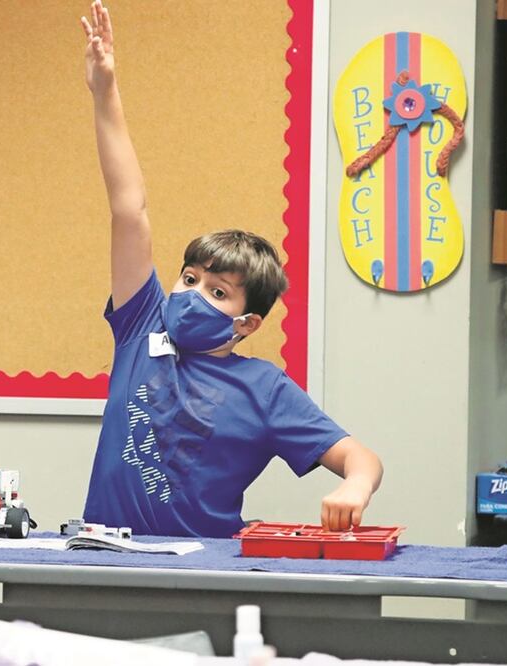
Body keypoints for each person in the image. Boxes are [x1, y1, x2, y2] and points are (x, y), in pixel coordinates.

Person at [78, 0, 382, 538]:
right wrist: (105, 91)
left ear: (248, 323)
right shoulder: (141, 326)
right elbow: (129, 210)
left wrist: (354, 487)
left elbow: (360, 458)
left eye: (218, 292)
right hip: (105, 555)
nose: (193, 294)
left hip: (203, 565)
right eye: (189, 279)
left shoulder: (264, 387)